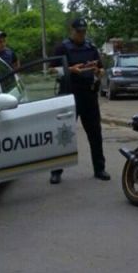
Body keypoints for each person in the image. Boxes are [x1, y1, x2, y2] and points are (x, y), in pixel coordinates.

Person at [49, 18, 110, 184]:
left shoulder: (91, 47)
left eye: (84, 32)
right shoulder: (62, 48)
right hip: (69, 94)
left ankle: (99, 169)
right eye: (79, 32)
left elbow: (101, 68)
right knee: (63, 133)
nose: (81, 35)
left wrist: (98, 71)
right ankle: (56, 171)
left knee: (95, 133)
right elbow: (51, 70)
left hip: (89, 95)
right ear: (72, 31)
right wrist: (70, 69)